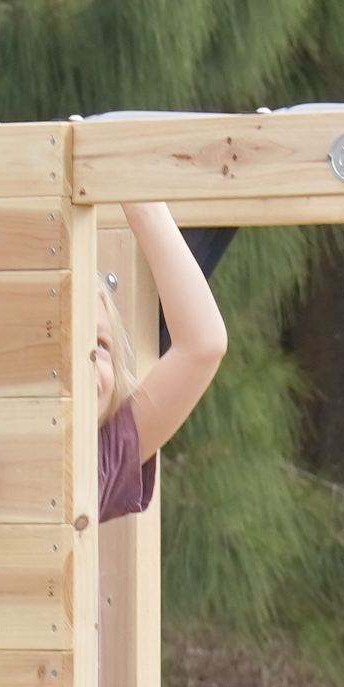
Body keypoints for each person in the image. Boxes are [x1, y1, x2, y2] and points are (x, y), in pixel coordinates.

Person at [95, 201, 230, 518]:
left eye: (101, 344)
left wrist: (143, 205)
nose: (89, 356)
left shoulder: (97, 462)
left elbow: (202, 345)